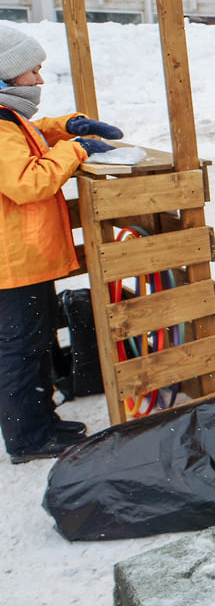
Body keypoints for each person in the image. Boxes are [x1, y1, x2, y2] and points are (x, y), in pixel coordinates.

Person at [0, 28, 120, 463]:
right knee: (19, 350)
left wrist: (68, 126)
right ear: (6, 77)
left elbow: (29, 134)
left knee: (36, 343)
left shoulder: (7, 120)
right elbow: (27, 182)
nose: (39, 80)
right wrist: (75, 150)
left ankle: (42, 419)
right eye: (32, 72)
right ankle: (28, 439)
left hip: (23, 260)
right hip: (12, 265)